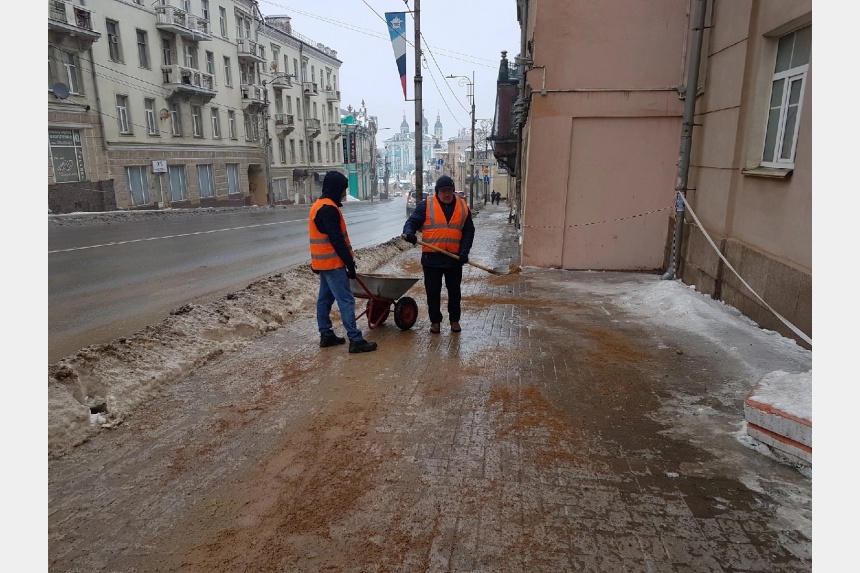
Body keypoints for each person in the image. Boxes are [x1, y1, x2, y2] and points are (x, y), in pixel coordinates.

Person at [309, 171, 378, 353]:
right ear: (335, 189)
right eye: (342, 190)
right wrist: (349, 262)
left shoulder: (319, 205)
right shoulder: (328, 209)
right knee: (346, 300)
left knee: (324, 299)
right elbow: (337, 239)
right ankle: (355, 340)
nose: (344, 193)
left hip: (323, 263)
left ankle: (326, 334)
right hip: (333, 263)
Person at [401, 175, 475, 333]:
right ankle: (435, 322)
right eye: (443, 191)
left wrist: (464, 251)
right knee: (433, 292)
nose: (446, 194)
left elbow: (469, 230)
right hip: (431, 258)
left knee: (454, 292)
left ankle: (454, 320)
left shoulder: (462, 206)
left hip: (454, 259)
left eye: (449, 191)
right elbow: (412, 222)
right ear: (437, 192)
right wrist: (409, 233)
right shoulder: (426, 205)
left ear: (453, 191)